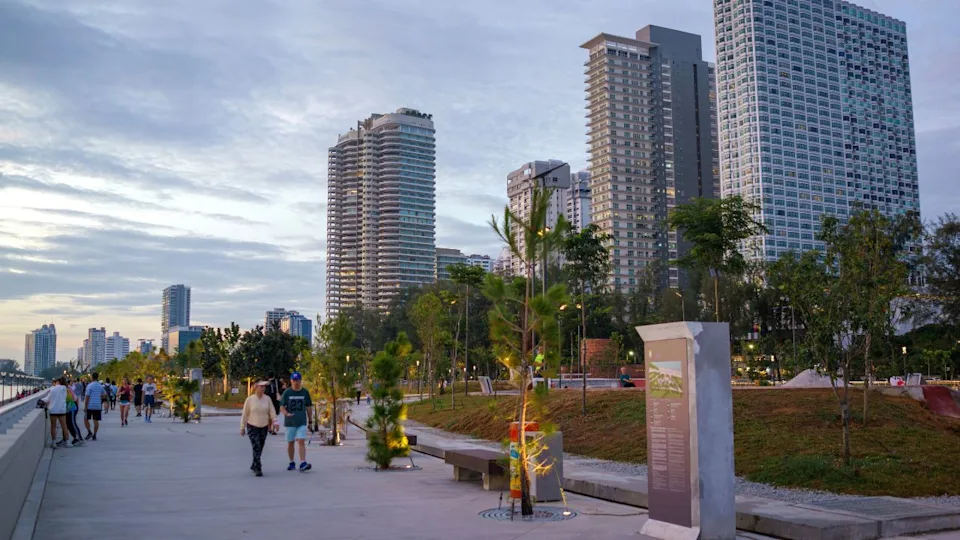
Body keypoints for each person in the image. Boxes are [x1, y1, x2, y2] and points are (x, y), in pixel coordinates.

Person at [241, 381, 276, 477]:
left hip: (263, 426)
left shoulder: (267, 399)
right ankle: (258, 468)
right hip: (252, 426)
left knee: (260, 446)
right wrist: (242, 427)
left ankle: (254, 463)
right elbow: (245, 414)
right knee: (256, 446)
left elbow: (272, 411)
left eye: (264, 387)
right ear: (255, 387)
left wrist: (275, 421)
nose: (263, 388)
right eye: (261, 386)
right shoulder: (250, 400)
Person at [279, 372, 313, 472]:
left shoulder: (305, 392)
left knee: (301, 440)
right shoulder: (287, 393)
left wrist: (310, 421)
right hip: (290, 422)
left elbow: (308, 407)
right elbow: (281, 406)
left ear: (300, 380)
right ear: (291, 381)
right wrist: (286, 413)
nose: (296, 382)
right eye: (294, 380)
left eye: (297, 380)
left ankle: (303, 462)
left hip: (301, 421)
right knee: (290, 442)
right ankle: (291, 461)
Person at [47, 378, 69, 448]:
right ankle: (67, 442)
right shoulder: (65, 388)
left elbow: (48, 399)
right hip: (62, 410)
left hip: (53, 410)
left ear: (57, 382)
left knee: (53, 426)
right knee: (64, 426)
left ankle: (54, 442)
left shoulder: (52, 389)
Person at [83, 373, 106, 441]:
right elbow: (105, 395)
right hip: (98, 406)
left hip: (90, 405)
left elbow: (87, 397)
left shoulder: (89, 386)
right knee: (96, 420)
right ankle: (95, 435)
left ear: (92, 377)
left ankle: (89, 432)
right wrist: (99, 397)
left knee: (85, 419)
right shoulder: (100, 386)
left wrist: (85, 407)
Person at [64, 378, 84, 446]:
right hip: (69, 408)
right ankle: (73, 438)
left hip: (72, 408)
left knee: (72, 423)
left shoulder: (67, 389)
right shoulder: (66, 388)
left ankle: (80, 439)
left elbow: (74, 398)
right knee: (67, 424)